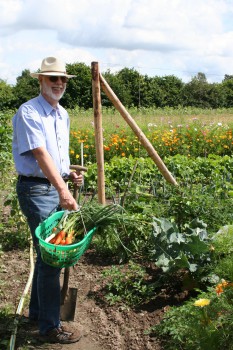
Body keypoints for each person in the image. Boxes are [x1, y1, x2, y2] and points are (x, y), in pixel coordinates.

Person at [12, 56, 83, 344]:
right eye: (53, 78)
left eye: (63, 79)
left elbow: (57, 157)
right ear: (40, 80)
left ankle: (38, 314)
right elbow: (41, 155)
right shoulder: (29, 112)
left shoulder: (62, 114)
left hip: (55, 187)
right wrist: (63, 191)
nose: (59, 84)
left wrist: (69, 176)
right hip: (38, 191)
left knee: (47, 258)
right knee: (53, 259)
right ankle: (50, 327)